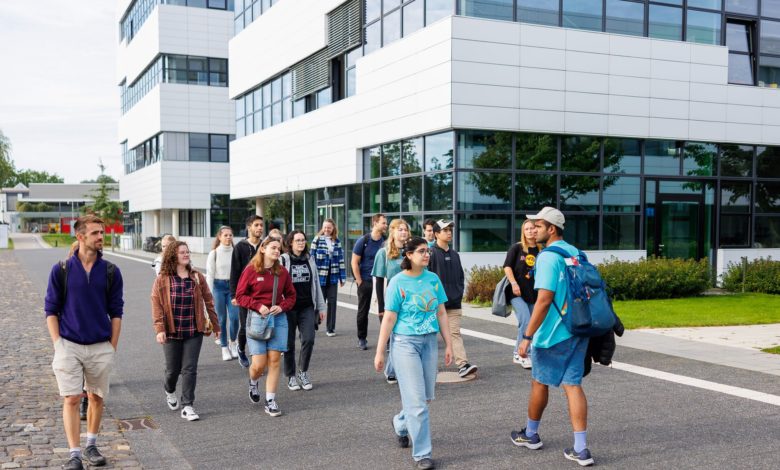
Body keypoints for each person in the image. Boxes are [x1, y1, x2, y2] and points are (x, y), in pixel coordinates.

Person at [512, 207, 595, 467]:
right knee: (573, 385)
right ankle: (581, 449)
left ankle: (531, 434)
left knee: (539, 382)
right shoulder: (576, 253)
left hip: (552, 334)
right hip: (578, 328)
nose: (533, 229)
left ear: (552, 229)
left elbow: (544, 300)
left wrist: (527, 336)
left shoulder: (547, 257)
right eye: (532, 225)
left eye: (538, 225)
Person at [44, 215, 124, 470]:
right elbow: (51, 310)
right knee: (71, 399)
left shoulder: (111, 271)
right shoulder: (62, 269)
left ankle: (91, 444)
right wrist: (58, 343)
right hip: (68, 344)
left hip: (100, 346)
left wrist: (111, 346)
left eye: (102, 232)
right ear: (80, 237)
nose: (101, 237)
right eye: (95, 233)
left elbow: (116, 311)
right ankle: (74, 454)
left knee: (96, 397)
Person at [374, 237, 453, 470]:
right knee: (417, 403)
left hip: (429, 342)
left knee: (425, 398)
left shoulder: (433, 279)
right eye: (421, 251)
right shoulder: (397, 282)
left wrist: (449, 344)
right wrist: (380, 352)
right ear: (408, 255)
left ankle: (400, 423)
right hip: (404, 344)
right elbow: (389, 318)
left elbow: (441, 313)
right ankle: (422, 455)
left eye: (428, 251)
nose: (427, 255)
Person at [151, 241, 220, 422]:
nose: (186, 255)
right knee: (172, 370)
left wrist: (216, 326)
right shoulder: (163, 278)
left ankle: (187, 405)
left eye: (187, 252)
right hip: (171, 330)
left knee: (189, 368)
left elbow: (209, 301)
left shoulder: (196, 277)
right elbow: (156, 305)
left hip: (193, 329)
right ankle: (169, 389)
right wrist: (159, 329)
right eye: (182, 252)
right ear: (173, 255)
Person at [235, 235, 296, 417]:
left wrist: (282, 306)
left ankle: (270, 400)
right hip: (257, 319)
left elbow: (292, 296)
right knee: (259, 365)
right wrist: (257, 305)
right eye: (273, 248)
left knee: (275, 360)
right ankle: (253, 381)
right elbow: (240, 296)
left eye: (279, 248)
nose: (277, 251)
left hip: (278, 319)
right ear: (263, 249)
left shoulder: (282, 272)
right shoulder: (251, 270)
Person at [428, 220, 477, 378]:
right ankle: (428, 366)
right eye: (445, 230)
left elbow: (460, 277)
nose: (449, 232)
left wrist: (458, 292)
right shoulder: (430, 253)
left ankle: (463, 365)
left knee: (454, 334)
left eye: (450, 230)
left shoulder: (455, 254)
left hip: (454, 303)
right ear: (436, 234)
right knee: (429, 336)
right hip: (434, 304)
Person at [281, 231, 326, 391]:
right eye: (297, 240)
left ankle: (303, 372)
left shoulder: (310, 259)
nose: (301, 243)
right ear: (290, 243)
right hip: (288, 307)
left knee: (308, 339)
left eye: (303, 240)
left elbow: (316, 284)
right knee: (288, 343)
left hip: (307, 306)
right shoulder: (284, 260)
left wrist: (321, 307)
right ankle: (291, 375)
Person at [371, 218, 410, 384]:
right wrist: (381, 307)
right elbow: (379, 280)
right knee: (394, 336)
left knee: (404, 335)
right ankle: (391, 370)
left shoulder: (411, 251)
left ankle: (395, 368)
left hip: (410, 300)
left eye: (405, 230)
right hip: (392, 300)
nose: (403, 232)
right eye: (400, 229)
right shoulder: (384, 253)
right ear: (392, 232)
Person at [503, 219, 542, 368]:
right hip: (517, 292)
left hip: (534, 293)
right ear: (523, 232)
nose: (531, 231)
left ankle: (517, 353)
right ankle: (523, 355)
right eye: (527, 229)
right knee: (526, 320)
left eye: (533, 228)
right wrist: (513, 283)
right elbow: (507, 267)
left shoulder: (541, 250)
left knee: (531, 323)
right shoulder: (517, 248)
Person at [230, 215, 264, 368]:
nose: (260, 228)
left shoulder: (265, 245)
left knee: (262, 326)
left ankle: (258, 358)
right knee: (245, 326)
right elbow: (234, 273)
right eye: (256, 225)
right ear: (249, 227)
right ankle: (241, 348)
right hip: (244, 294)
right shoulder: (240, 247)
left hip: (262, 293)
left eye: (261, 225)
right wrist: (234, 295)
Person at [350, 213, 387, 350]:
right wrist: (359, 281)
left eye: (386, 223)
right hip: (366, 281)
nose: (385, 225)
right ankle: (362, 338)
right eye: (383, 222)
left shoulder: (386, 241)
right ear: (375, 223)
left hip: (381, 281)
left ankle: (387, 340)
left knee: (384, 311)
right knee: (363, 311)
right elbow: (354, 261)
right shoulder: (364, 240)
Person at [207, 226, 240, 361]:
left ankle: (233, 343)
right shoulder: (214, 253)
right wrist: (208, 295)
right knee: (221, 319)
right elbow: (209, 275)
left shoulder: (236, 252)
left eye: (230, 235)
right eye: (225, 235)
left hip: (233, 288)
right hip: (218, 287)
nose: (228, 237)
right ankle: (224, 347)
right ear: (219, 237)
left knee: (235, 318)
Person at [310, 219, 346, 337]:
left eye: (329, 228)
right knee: (318, 301)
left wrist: (342, 277)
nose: (326, 230)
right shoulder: (317, 239)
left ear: (333, 228)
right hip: (320, 276)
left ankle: (330, 328)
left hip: (333, 275)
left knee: (332, 302)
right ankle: (314, 323)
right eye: (325, 227)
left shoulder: (337, 241)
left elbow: (340, 259)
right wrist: (312, 275)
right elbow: (311, 258)